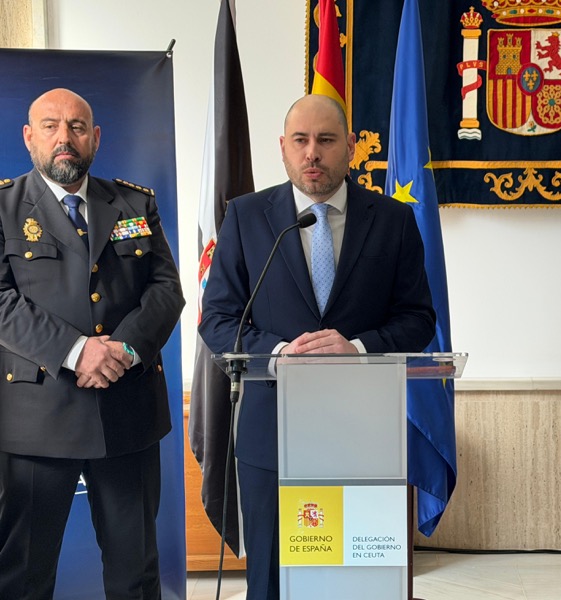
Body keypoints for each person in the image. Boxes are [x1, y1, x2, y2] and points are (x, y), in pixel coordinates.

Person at [198, 93, 435, 599]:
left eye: (326, 140)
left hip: (364, 435)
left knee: (357, 582)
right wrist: (278, 353)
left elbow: (419, 319)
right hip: (272, 433)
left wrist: (359, 348)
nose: (312, 153)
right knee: (271, 581)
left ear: (350, 147)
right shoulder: (246, 216)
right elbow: (217, 318)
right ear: (282, 147)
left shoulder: (392, 219)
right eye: (301, 141)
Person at [0, 88, 185, 599]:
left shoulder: (134, 202)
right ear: (29, 137)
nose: (65, 137)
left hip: (127, 413)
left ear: (95, 138)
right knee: (22, 578)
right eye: (51, 126)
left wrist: (123, 348)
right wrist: (78, 351)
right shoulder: (4, 207)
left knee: (135, 577)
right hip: (36, 424)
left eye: (77, 126)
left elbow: (166, 289)